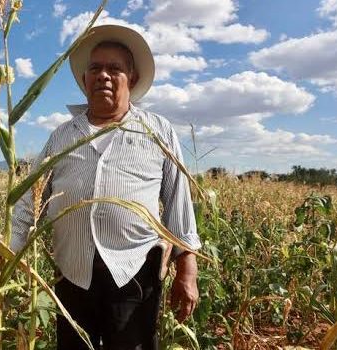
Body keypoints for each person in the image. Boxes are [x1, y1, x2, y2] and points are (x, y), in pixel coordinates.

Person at [10, 24, 202, 350]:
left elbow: (178, 200)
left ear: (133, 79)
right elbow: (33, 195)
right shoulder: (63, 135)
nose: (103, 75)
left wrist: (187, 268)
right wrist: (9, 249)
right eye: (95, 69)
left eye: (115, 69)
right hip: (72, 272)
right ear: (85, 80)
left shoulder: (157, 131)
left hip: (134, 273)